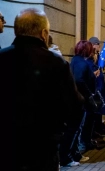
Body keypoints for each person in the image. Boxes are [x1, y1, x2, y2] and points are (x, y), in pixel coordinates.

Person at [0, 8, 83, 171]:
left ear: (16, 31)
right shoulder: (56, 64)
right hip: (43, 151)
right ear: (44, 33)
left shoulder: (2, 58)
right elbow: (75, 108)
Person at [88, 36, 105, 137]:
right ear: (93, 45)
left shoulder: (97, 56)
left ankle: (98, 126)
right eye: (97, 44)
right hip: (95, 87)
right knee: (95, 109)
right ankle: (94, 130)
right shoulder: (89, 57)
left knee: (100, 107)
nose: (99, 46)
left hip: (100, 86)